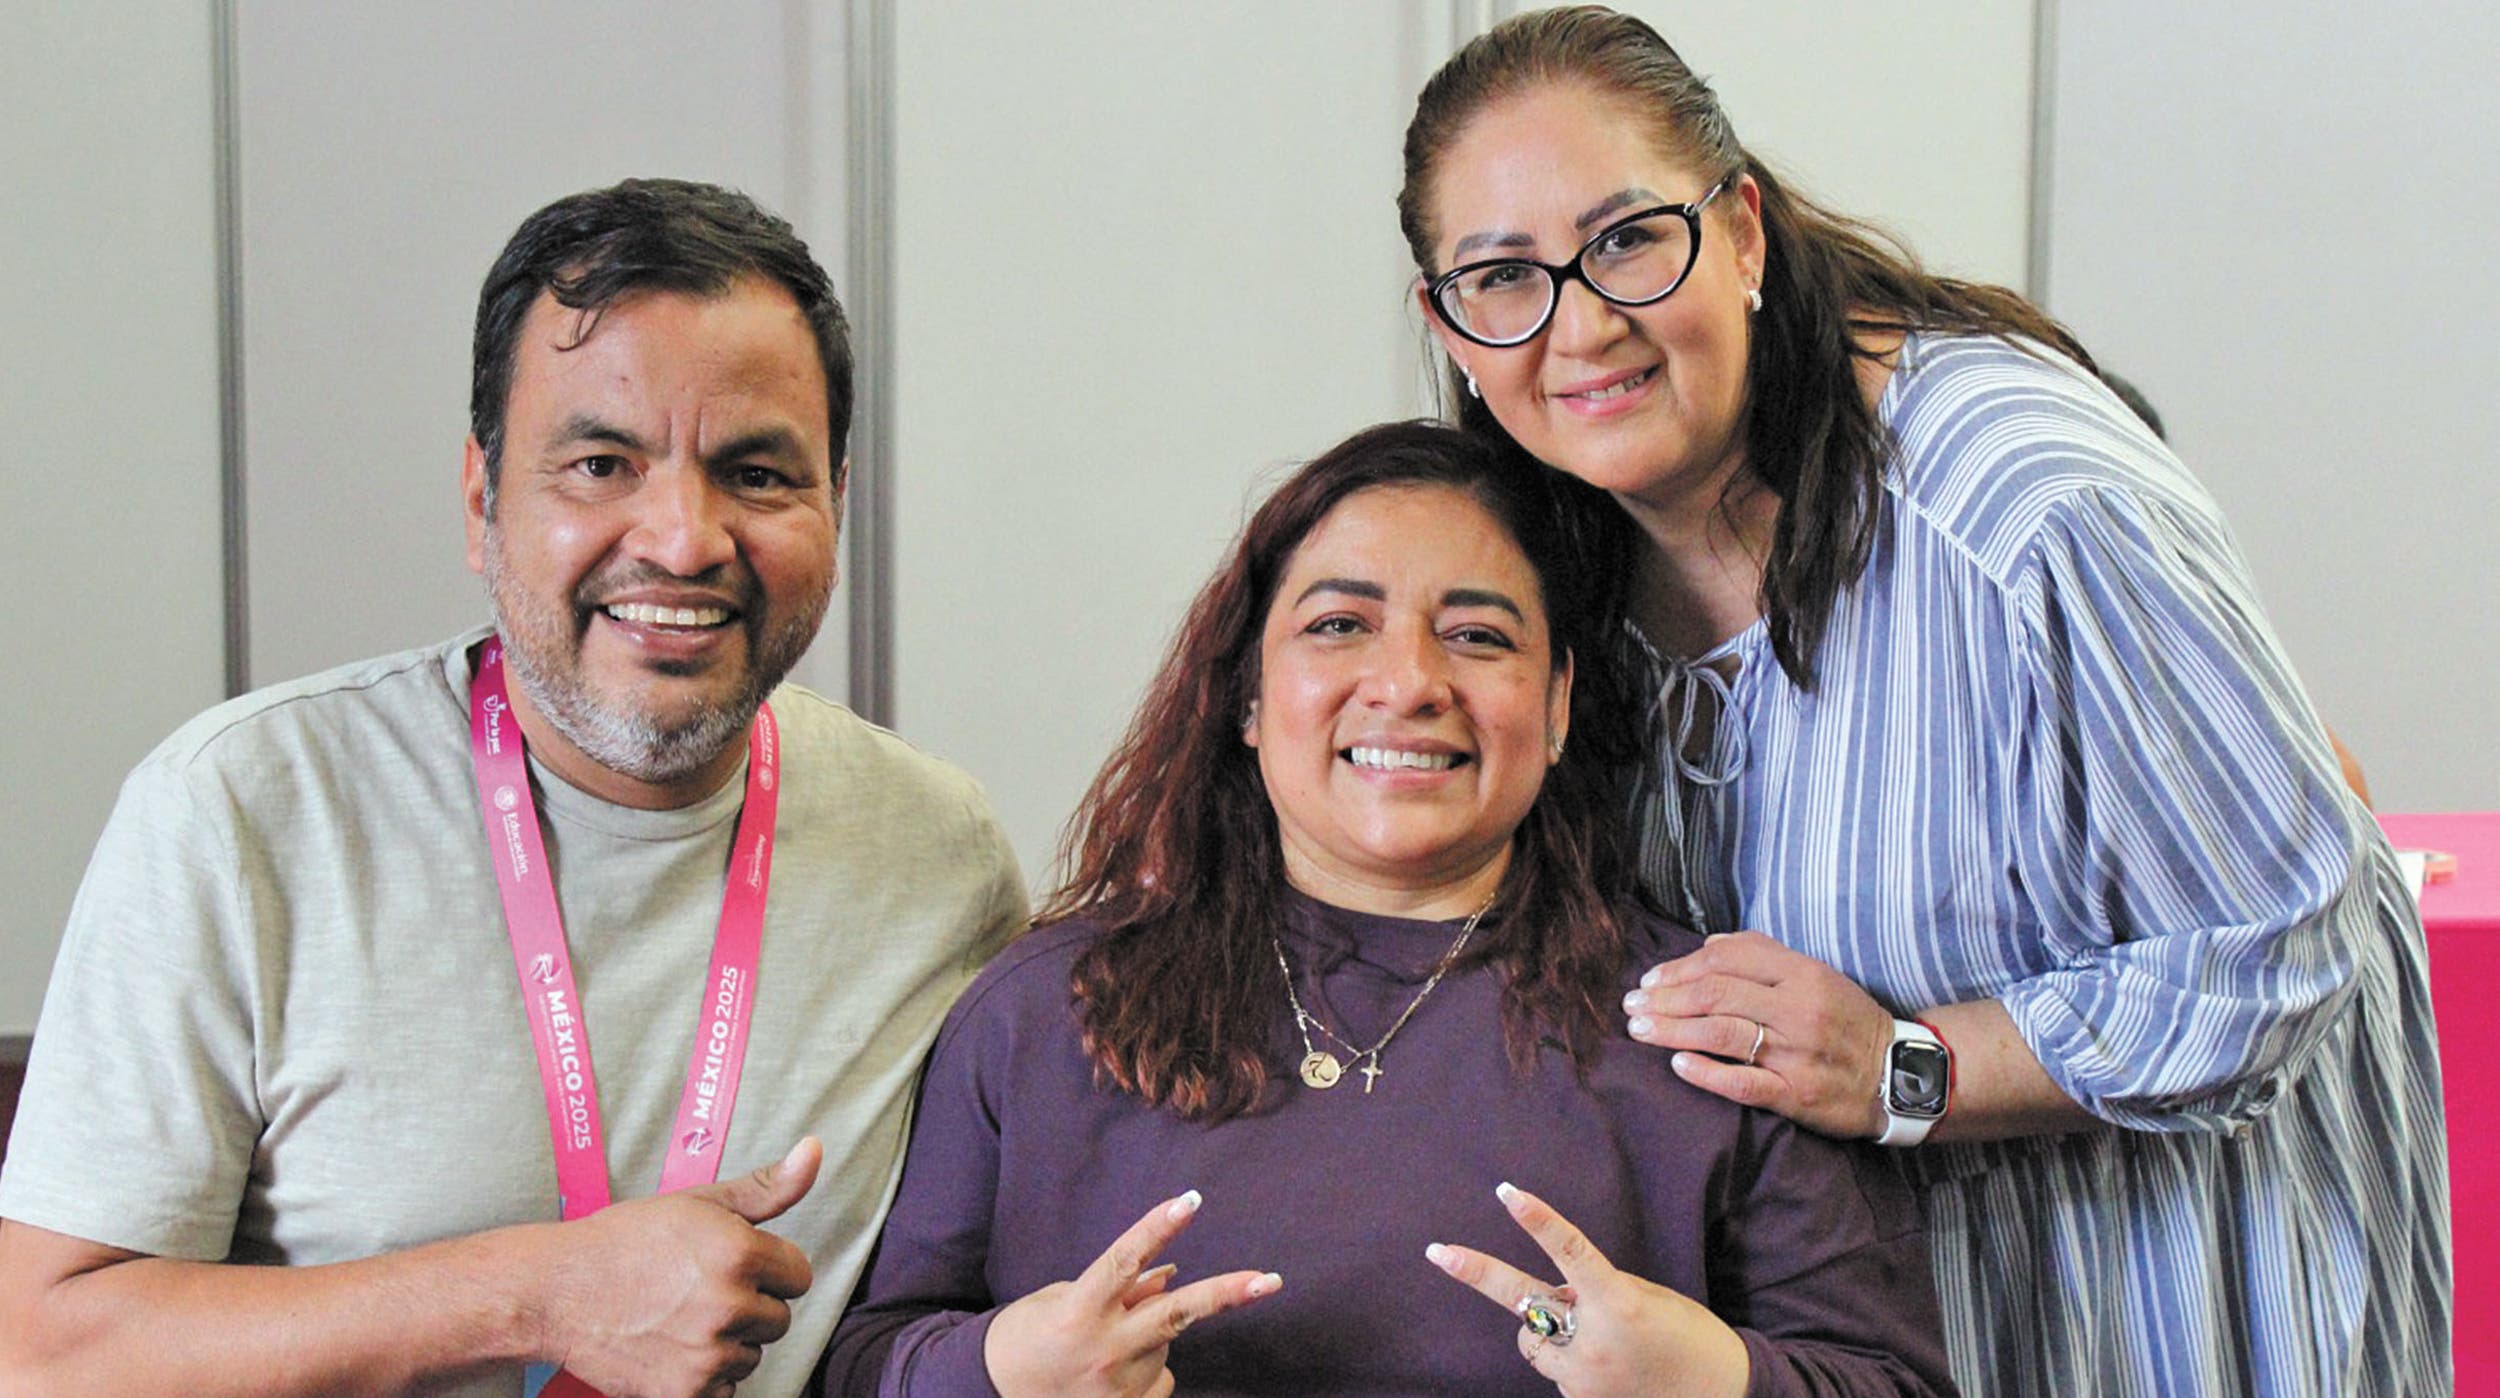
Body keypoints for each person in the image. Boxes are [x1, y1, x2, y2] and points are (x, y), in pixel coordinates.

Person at [1395, 9, 2448, 1395]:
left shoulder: (2025, 507)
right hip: (1862, 1334)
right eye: (1501, 277)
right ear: (1450, 323)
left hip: (2172, 1316)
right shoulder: (1538, 553)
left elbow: (2283, 941)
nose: (1580, 324)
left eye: (1630, 240)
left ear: (1744, 233)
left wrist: (1910, 1065)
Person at [0, 179, 1026, 1398]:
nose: (683, 540)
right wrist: (539, 1295)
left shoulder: (936, 854)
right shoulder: (245, 810)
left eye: (757, 474)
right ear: (481, 498)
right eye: (600, 464)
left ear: (836, 503)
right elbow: (39, 1352)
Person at [820, 421, 1959, 1398]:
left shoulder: (1706, 1025)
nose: (1409, 682)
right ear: (1248, 696)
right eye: (1338, 626)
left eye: (1478, 636)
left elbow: (1893, 1380)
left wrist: (1722, 1380)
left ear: (1558, 706)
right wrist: (999, 1369)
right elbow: (858, 1359)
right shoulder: (1041, 1012)